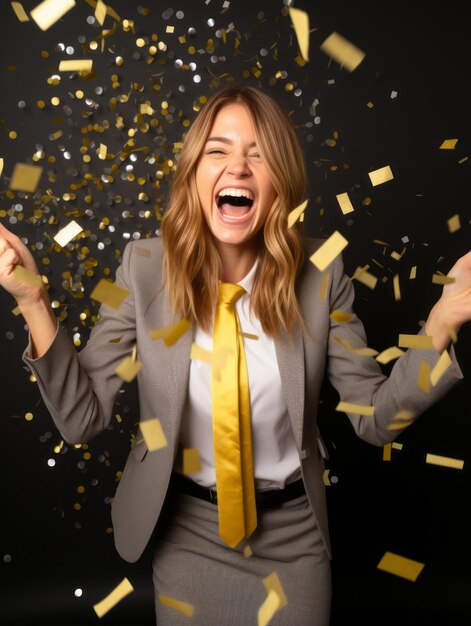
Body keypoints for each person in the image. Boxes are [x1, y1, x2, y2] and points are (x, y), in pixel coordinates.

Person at [0, 85, 469, 626]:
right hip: (187, 532)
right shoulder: (142, 268)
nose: (238, 168)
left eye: (259, 153)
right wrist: (34, 300)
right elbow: (83, 418)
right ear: (194, 171)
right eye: (218, 151)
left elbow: (375, 420)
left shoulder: (321, 277)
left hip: (293, 539)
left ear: (281, 182)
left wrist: (439, 326)